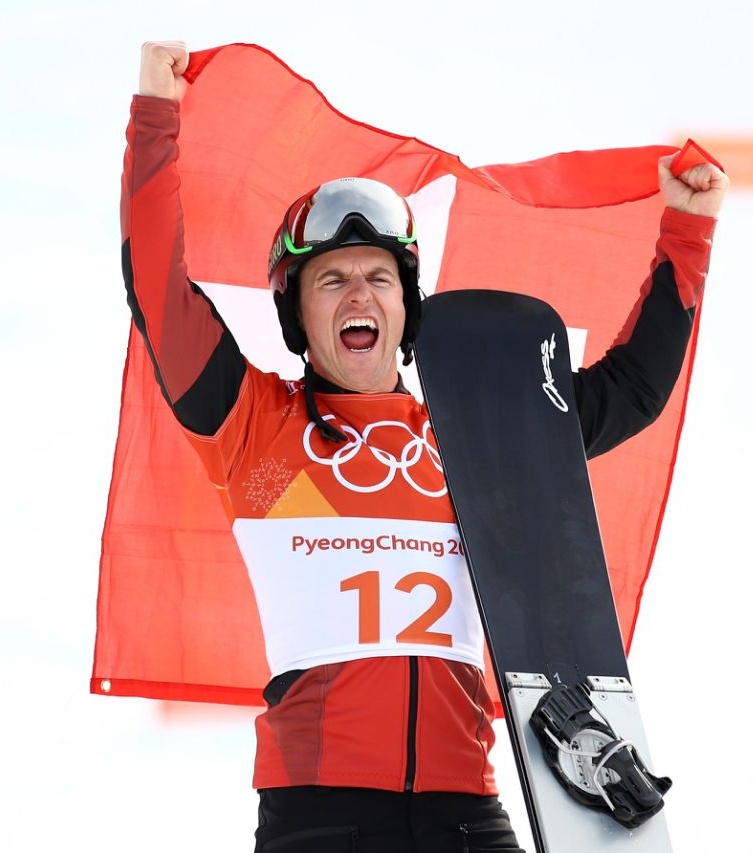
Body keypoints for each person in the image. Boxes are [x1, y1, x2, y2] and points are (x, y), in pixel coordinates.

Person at [126, 40, 729, 853]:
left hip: (465, 810)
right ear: (297, 315)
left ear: (407, 307)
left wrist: (687, 229)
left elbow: (629, 392)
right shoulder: (257, 436)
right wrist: (154, 115)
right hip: (320, 818)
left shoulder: (479, 436)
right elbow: (158, 287)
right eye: (331, 280)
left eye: (378, 277)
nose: (359, 294)